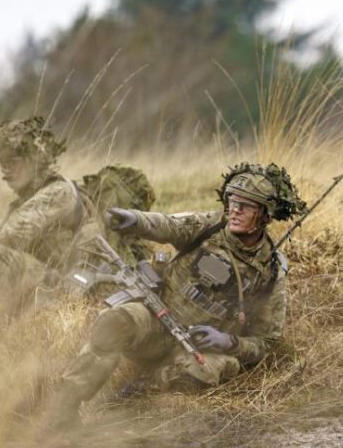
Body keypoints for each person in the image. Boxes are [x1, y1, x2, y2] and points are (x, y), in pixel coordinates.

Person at [40, 162, 306, 428]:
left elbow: (266, 341)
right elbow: (168, 225)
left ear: (265, 216)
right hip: (157, 320)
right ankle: (64, 407)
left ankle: (142, 389)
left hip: (197, 350)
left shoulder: (270, 272)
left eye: (246, 206)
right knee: (114, 323)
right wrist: (134, 220)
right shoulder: (210, 226)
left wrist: (227, 342)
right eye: (232, 201)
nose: (235, 211)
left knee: (198, 373)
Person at [0, 116, 106, 326]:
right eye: (2, 163)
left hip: (63, 288)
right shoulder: (24, 200)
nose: (5, 170)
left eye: (12, 161)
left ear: (36, 157)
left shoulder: (58, 192)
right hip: (44, 283)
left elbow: (9, 237)